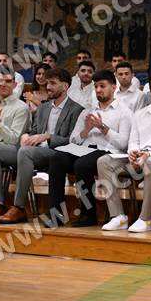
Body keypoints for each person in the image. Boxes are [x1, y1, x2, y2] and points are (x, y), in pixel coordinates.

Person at [98, 71, 151, 233]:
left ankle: (145, 219)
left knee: (150, 163)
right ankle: (118, 216)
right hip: (139, 157)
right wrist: (133, 152)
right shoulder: (139, 114)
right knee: (104, 161)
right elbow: (133, 141)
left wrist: (148, 154)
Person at [0, 68, 84, 224]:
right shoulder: (44, 107)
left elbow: (74, 141)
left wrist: (48, 137)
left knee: (25, 152)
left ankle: (19, 207)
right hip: (37, 151)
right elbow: (34, 131)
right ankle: (0, 204)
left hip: (59, 153)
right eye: (47, 83)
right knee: (13, 150)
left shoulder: (76, 109)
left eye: (53, 83)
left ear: (65, 86)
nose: (48, 87)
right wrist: (26, 135)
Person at [48, 70, 132, 227]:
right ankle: (56, 214)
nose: (98, 90)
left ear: (113, 87)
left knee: (82, 164)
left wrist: (103, 128)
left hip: (108, 151)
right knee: (57, 158)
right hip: (85, 149)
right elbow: (73, 139)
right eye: (96, 86)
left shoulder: (124, 112)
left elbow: (123, 144)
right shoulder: (88, 111)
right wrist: (85, 130)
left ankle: (89, 214)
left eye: (102, 86)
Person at [0, 70, 31, 217]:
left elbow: (14, 139)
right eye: (0, 81)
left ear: (15, 84)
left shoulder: (21, 107)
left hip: (16, 150)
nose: (3, 84)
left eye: (8, 81)